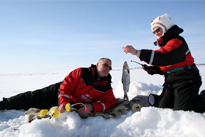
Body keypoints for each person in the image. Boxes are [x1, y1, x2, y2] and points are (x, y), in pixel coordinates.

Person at [123, 13, 205, 113]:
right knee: (162, 108)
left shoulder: (177, 41)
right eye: (154, 32)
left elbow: (163, 57)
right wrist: (154, 69)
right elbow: (168, 65)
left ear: (166, 27)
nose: (156, 33)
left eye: (158, 29)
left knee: (184, 111)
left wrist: (137, 53)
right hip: (171, 81)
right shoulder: (166, 45)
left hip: (187, 80)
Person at [0, 58, 117, 115]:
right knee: (34, 96)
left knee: (37, 106)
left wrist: (92, 107)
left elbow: (110, 102)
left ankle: (15, 110)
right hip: (60, 91)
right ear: (97, 65)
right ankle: (4, 104)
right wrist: (63, 101)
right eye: (105, 65)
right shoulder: (81, 72)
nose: (107, 68)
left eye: (110, 67)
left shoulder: (106, 86)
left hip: (70, 103)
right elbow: (66, 86)